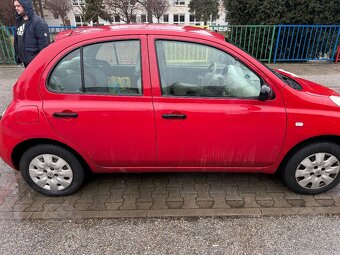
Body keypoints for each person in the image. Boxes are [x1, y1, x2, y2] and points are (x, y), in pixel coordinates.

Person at [13, 0, 50, 67]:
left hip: (35, 64)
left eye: (18, 6)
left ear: (26, 5)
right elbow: (18, 40)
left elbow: (44, 46)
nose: (16, 8)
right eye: (15, 6)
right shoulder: (19, 21)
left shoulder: (38, 23)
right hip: (25, 61)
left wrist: (40, 63)